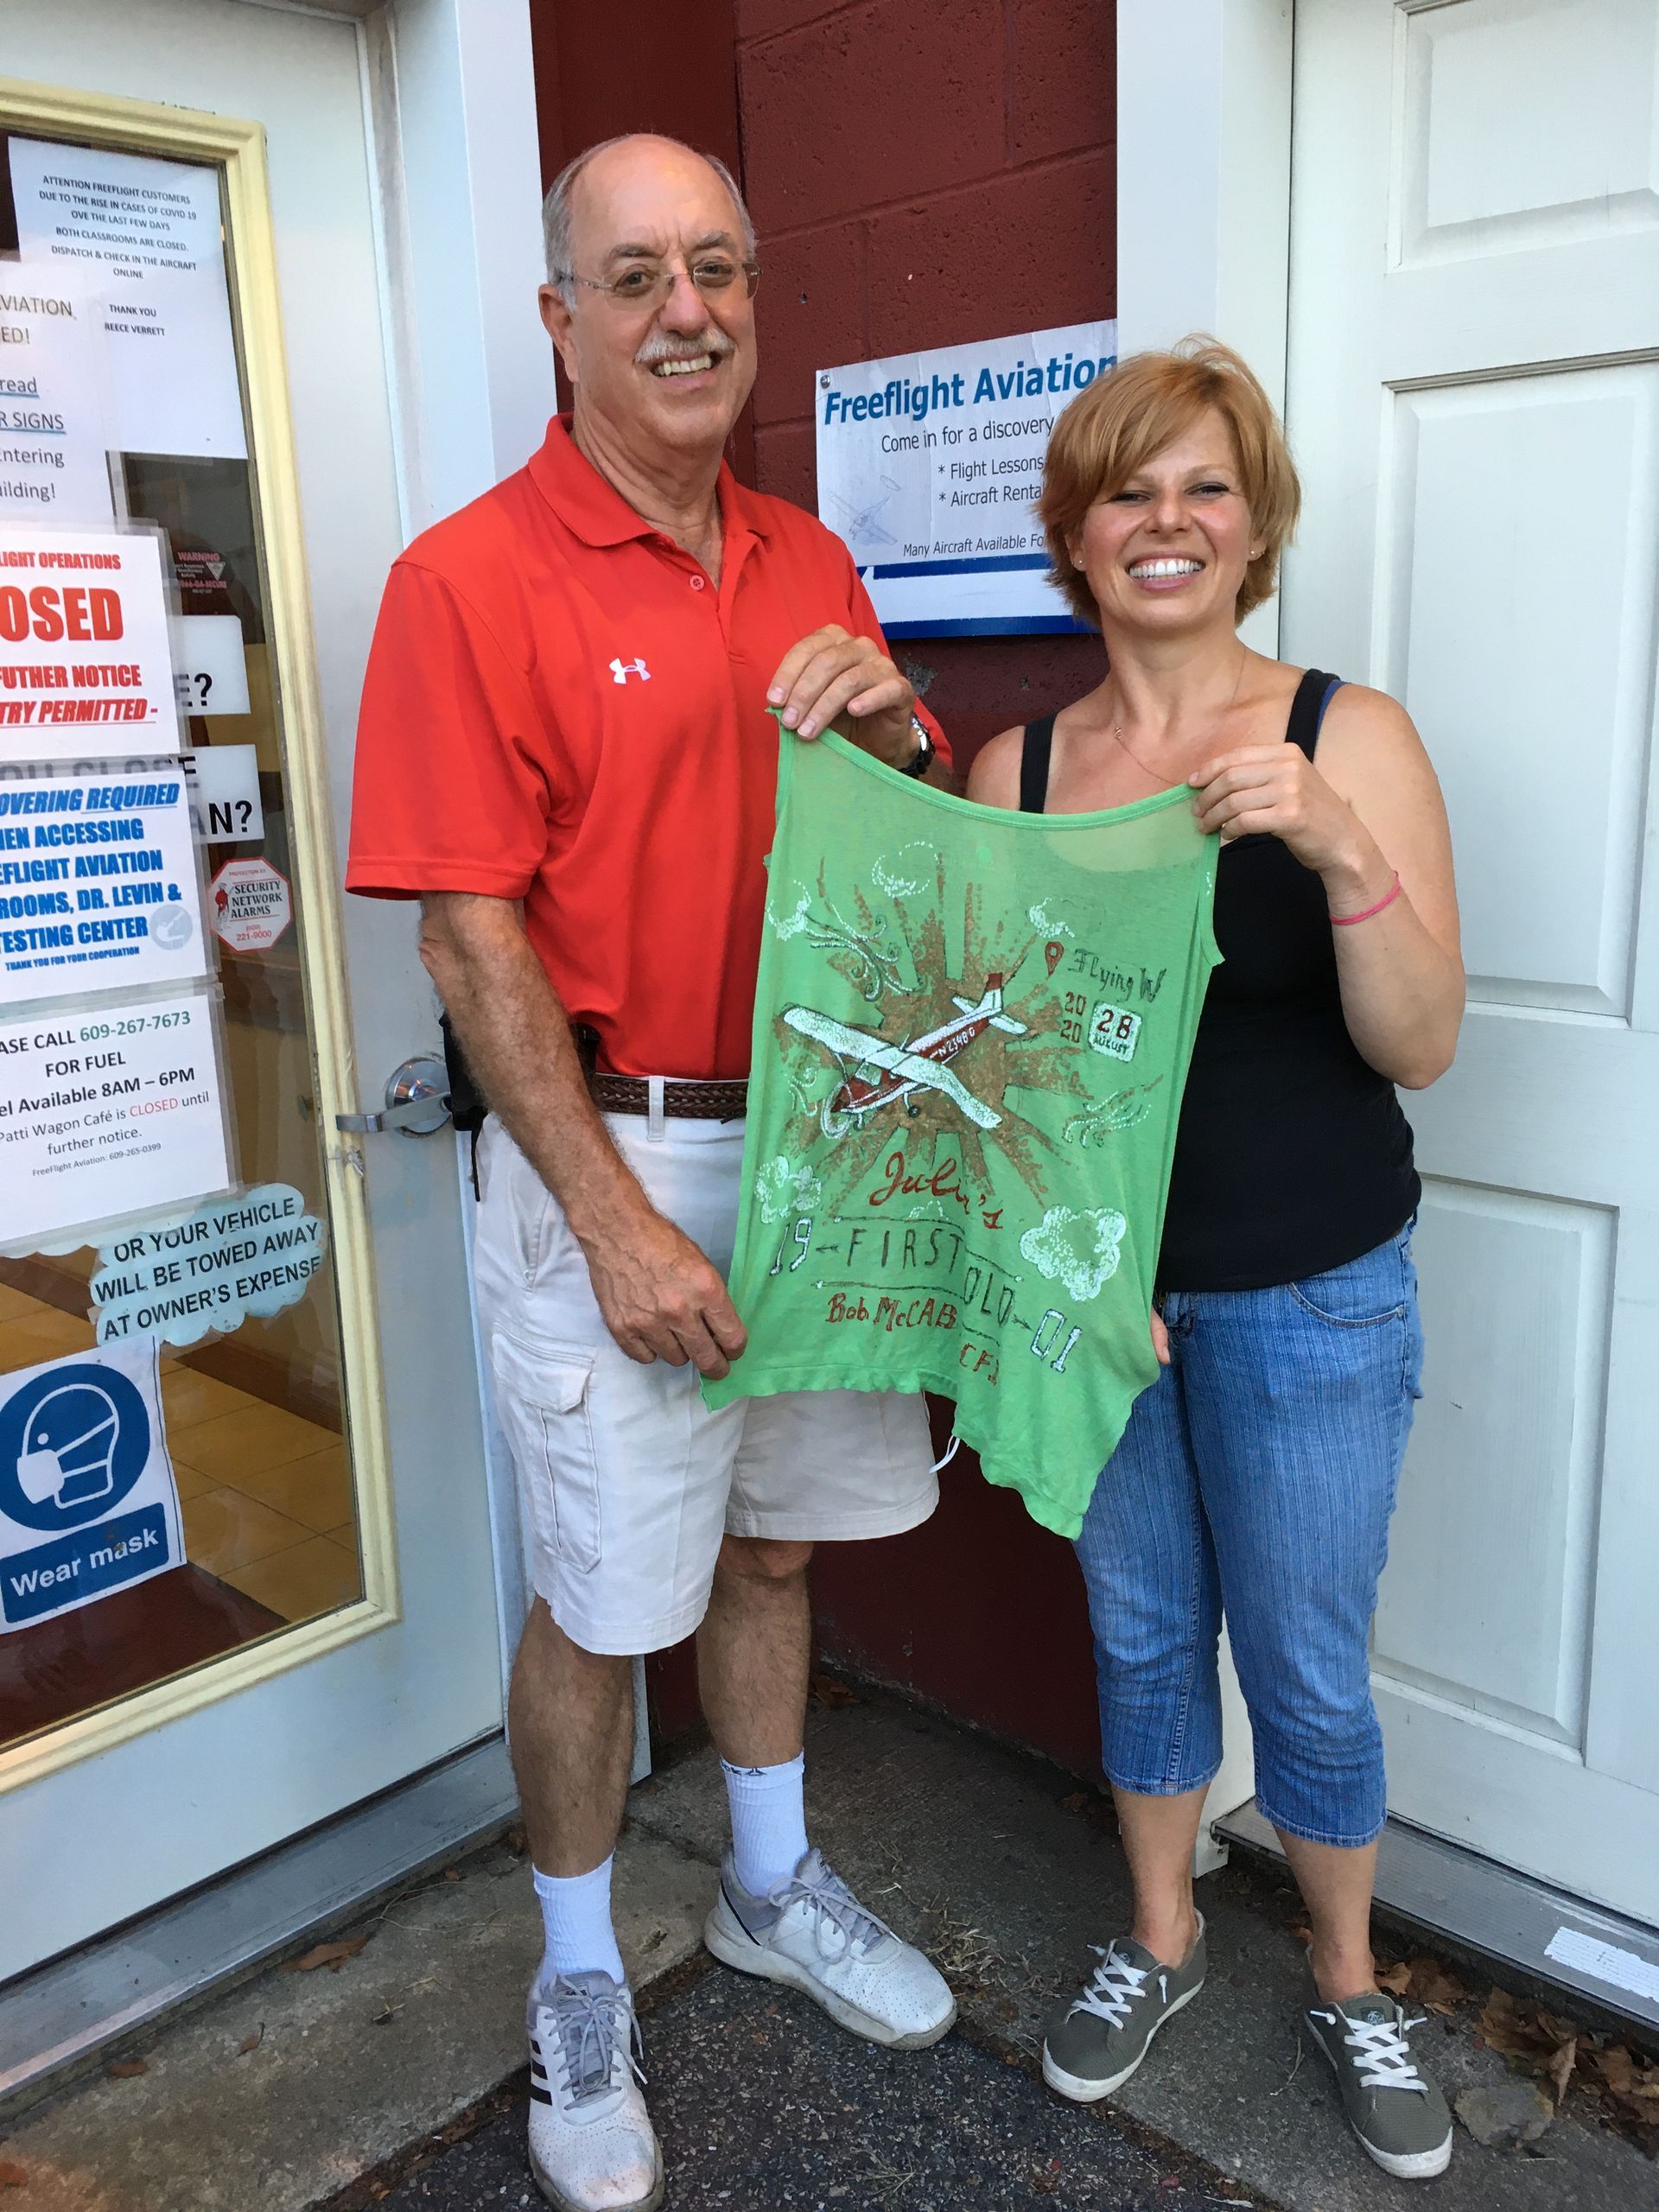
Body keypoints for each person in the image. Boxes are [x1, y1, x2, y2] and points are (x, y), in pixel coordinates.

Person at [346, 134, 957, 2212]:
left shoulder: (807, 554)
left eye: (718, 267)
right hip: (615, 1146)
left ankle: (770, 1884)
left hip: (823, 1142)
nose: (687, 310)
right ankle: (583, 1974)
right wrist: (609, 1219)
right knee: (603, 1602)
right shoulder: (469, 579)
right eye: (635, 277)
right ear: (561, 317)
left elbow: (896, 836)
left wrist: (905, 736)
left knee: (775, 1551)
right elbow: (467, 936)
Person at [968, 340, 1464, 2183]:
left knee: (1309, 1664)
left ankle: (1346, 1977)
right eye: (1127, 490)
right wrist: (1063, 1269)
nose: (1165, 521)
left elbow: (1420, 1041)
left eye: (1204, 487)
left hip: (1311, 1286)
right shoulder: (1019, 769)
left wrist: (1335, 845)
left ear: (1253, 529)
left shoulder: (1350, 734)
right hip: (1099, 1300)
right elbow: (1002, 1062)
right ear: (1075, 537)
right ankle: (1163, 1936)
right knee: (1146, 1632)